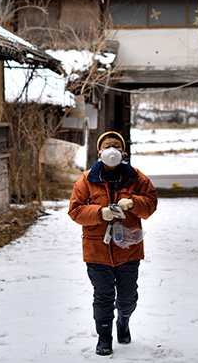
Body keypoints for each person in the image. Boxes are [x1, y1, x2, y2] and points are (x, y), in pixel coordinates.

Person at [68, 131, 158, 356]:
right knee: (103, 295)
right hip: (97, 250)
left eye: (117, 146)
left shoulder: (136, 178)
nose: (112, 150)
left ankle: (124, 320)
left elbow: (151, 203)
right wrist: (100, 212)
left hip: (129, 250)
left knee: (127, 297)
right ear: (99, 151)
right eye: (107, 146)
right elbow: (75, 210)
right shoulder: (87, 180)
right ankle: (104, 336)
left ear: (123, 151)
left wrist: (133, 202)